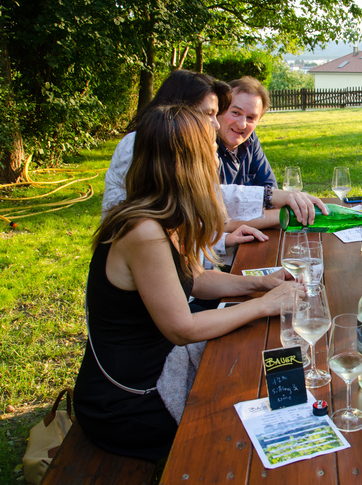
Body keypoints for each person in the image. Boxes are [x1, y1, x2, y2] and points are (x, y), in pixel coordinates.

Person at [74, 105, 303, 461]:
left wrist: (260, 285)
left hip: (159, 370)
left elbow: (194, 281)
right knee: (250, 432)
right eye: (210, 150)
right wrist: (264, 306)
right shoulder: (144, 232)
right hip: (130, 402)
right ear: (188, 162)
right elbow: (182, 328)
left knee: (261, 380)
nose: (216, 159)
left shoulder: (161, 214)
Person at [102, 69, 326, 257]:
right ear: (175, 110)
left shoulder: (198, 144)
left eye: (215, 113)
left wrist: (272, 199)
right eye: (208, 114)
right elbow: (204, 211)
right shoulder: (143, 144)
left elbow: (207, 207)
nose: (216, 124)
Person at [216, 76, 277, 189]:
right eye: (235, 113)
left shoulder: (250, 140)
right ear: (219, 111)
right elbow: (213, 196)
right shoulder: (204, 144)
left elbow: (270, 187)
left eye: (250, 118)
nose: (242, 124)